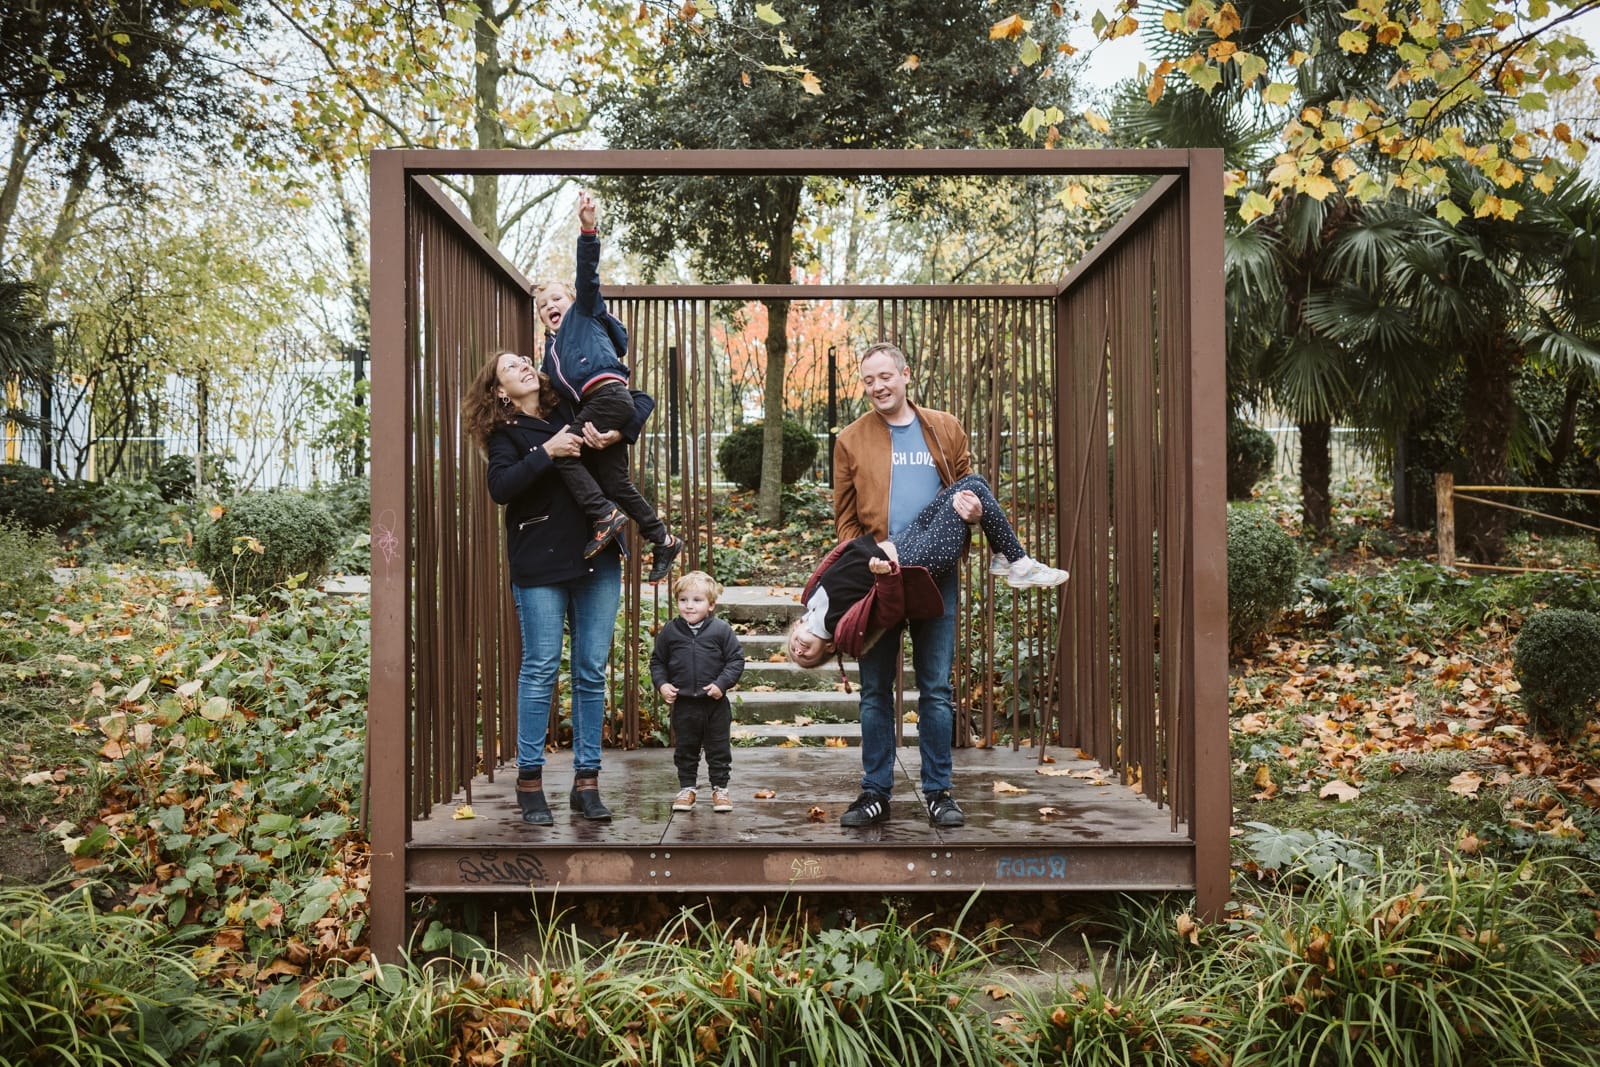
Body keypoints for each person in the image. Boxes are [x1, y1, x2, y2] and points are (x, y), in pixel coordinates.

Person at [829, 339, 1064, 830]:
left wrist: (977, 516)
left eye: (884, 376)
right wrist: (871, 562)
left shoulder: (944, 427)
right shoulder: (851, 440)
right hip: (880, 580)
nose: (877, 387)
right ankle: (875, 792)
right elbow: (846, 524)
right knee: (874, 691)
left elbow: (965, 492)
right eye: (868, 380)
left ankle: (938, 792)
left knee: (935, 690)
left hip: (937, 577)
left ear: (905, 374)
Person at [463, 349, 653, 825]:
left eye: (527, 359)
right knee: (541, 668)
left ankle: (586, 783)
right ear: (498, 391)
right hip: (540, 561)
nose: (525, 365)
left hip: (598, 558)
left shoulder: (569, 407)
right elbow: (501, 488)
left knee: (590, 670)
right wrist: (546, 452)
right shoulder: (503, 435)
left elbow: (639, 399)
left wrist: (618, 431)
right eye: (511, 367)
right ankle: (530, 782)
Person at [535, 189, 682, 584]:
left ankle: (604, 514)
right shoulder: (551, 357)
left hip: (607, 396)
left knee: (562, 452)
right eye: (542, 306)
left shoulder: (583, 315)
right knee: (617, 482)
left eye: (555, 298)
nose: (550, 306)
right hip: (600, 406)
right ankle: (663, 538)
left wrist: (587, 229)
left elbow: (587, 273)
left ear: (572, 301)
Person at [787, 471, 1067, 669]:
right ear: (829, 648)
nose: (798, 651)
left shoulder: (810, 602)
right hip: (914, 562)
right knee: (974, 491)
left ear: (796, 628)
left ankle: (1005, 557)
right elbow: (888, 610)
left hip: (897, 542)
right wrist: (885, 576)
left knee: (974, 481)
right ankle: (1018, 562)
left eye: (793, 651)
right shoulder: (842, 632)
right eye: (805, 658)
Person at [649, 570, 746, 814]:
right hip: (684, 704)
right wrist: (662, 684)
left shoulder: (721, 631)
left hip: (714, 703)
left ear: (711, 605)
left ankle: (720, 789)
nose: (689, 606)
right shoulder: (671, 632)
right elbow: (657, 662)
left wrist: (721, 684)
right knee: (686, 748)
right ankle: (687, 789)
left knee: (718, 748)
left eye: (697, 600)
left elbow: (735, 660)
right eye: (684, 600)